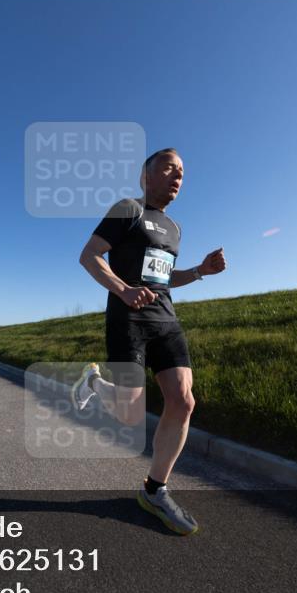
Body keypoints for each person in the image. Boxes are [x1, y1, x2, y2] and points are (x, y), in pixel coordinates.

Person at [74, 148, 226, 535]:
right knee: (130, 414)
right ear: (146, 176)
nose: (177, 177)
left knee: (184, 401)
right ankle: (94, 381)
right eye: (169, 168)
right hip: (127, 318)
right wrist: (123, 289)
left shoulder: (174, 227)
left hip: (166, 321)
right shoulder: (128, 209)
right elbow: (90, 256)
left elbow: (165, 277)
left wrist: (200, 271)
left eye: (182, 172)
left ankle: (155, 491)